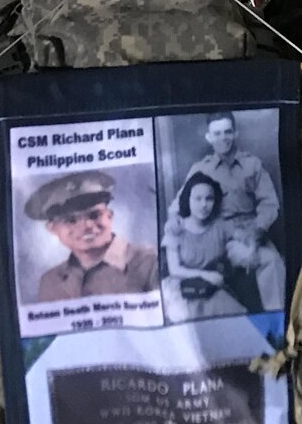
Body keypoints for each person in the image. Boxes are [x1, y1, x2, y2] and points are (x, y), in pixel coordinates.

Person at [177, 115, 284, 312]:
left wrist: (256, 232)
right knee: (255, 259)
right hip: (221, 236)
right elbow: (180, 205)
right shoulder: (201, 169)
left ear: (236, 133)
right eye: (217, 133)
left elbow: (269, 204)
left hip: (254, 231)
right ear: (209, 137)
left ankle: (277, 323)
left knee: (274, 262)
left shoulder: (252, 165)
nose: (223, 138)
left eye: (227, 132)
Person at [27, 169, 159, 303]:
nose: (86, 226)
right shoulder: (50, 281)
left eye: (94, 215)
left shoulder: (151, 264)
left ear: (110, 216)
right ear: (53, 229)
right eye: (70, 220)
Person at [161, 171, 250, 321]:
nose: (204, 205)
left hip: (211, 289)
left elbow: (246, 236)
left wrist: (248, 247)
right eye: (197, 198)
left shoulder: (221, 226)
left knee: (238, 316)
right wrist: (205, 275)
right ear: (187, 199)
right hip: (182, 290)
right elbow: (174, 269)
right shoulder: (175, 229)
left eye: (209, 199)